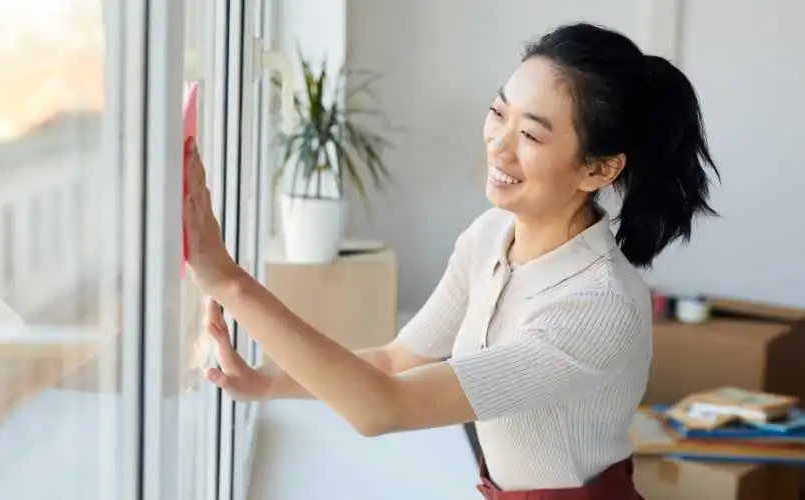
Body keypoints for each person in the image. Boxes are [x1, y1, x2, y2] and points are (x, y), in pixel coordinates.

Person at [183, 22, 718, 500]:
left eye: (530, 134)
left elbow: (382, 406)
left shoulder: (597, 306)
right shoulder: (489, 237)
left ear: (598, 171)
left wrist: (228, 280)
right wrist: (267, 382)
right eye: (497, 113)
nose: (498, 147)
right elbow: (394, 363)